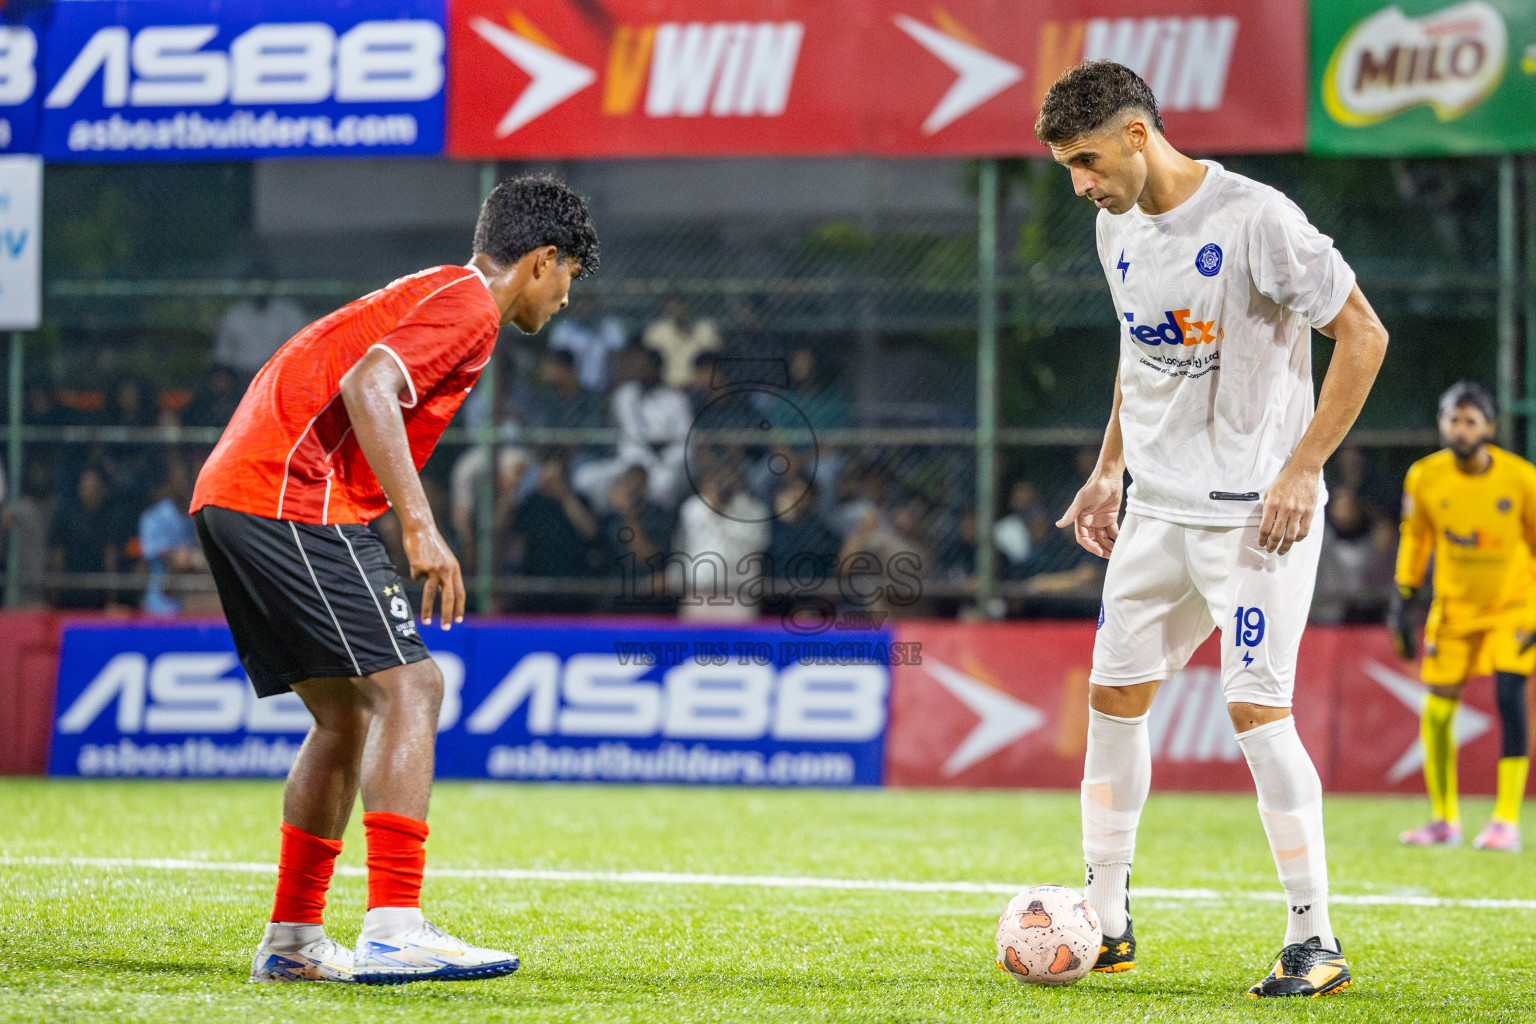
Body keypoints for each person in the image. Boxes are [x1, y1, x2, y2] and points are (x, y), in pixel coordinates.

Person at [189, 175, 599, 985]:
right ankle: (394, 928)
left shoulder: (436, 291)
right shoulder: (472, 303)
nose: (563, 299)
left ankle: (293, 940)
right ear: (542, 260)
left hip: (241, 493)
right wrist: (419, 524)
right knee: (413, 688)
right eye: (569, 278)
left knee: (344, 717)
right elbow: (367, 384)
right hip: (288, 495)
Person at [1039, 61, 1388, 997]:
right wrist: (1109, 468)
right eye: (1067, 168)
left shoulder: (1256, 219)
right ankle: (1105, 920)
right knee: (1113, 699)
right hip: (1157, 511)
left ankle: (1314, 938)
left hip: (1253, 520)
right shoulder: (1115, 227)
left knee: (1255, 710)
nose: (1079, 184)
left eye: (1085, 161)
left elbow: (1363, 334)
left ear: (1137, 135)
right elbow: (1137, 352)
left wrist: (1303, 467)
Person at [1390, 382, 1532, 854]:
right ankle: (1444, 819)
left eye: (1471, 421)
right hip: (1452, 611)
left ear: (1489, 427)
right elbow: (1416, 538)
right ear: (1442, 423)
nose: (1461, 429)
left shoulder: (1521, 479)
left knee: (1509, 695)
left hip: (1512, 607)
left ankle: (1505, 820)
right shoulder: (1425, 477)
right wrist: (1403, 597)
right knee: (1436, 711)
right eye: (1453, 419)